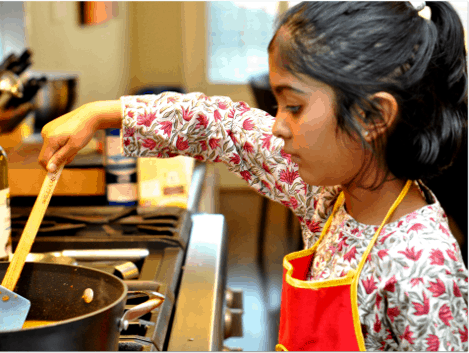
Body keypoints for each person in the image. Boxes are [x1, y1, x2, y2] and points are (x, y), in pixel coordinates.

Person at [38, 1, 468, 351]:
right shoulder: (327, 194)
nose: (277, 125)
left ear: (372, 115)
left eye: (294, 107)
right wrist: (101, 114)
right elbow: (218, 123)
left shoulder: (423, 265)